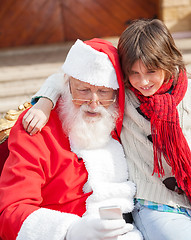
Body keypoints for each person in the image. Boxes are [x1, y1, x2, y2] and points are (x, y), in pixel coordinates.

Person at [21, 19, 191, 240]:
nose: (143, 81)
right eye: (134, 73)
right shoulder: (123, 96)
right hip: (155, 203)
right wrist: (45, 101)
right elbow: (66, 78)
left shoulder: (186, 91)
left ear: (167, 64)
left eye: (151, 71)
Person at [0, 38, 143, 240]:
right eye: (83, 90)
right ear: (67, 85)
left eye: (103, 91)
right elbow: (11, 211)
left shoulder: (122, 116)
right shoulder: (37, 128)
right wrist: (70, 230)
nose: (94, 104)